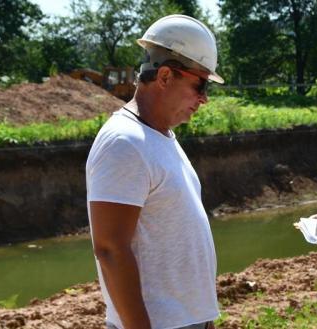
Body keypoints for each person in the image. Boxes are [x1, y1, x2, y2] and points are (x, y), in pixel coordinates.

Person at [85, 14, 224, 329]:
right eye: (200, 84)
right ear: (164, 76)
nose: (204, 98)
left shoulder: (161, 137)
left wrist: (204, 317)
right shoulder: (124, 142)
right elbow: (110, 248)